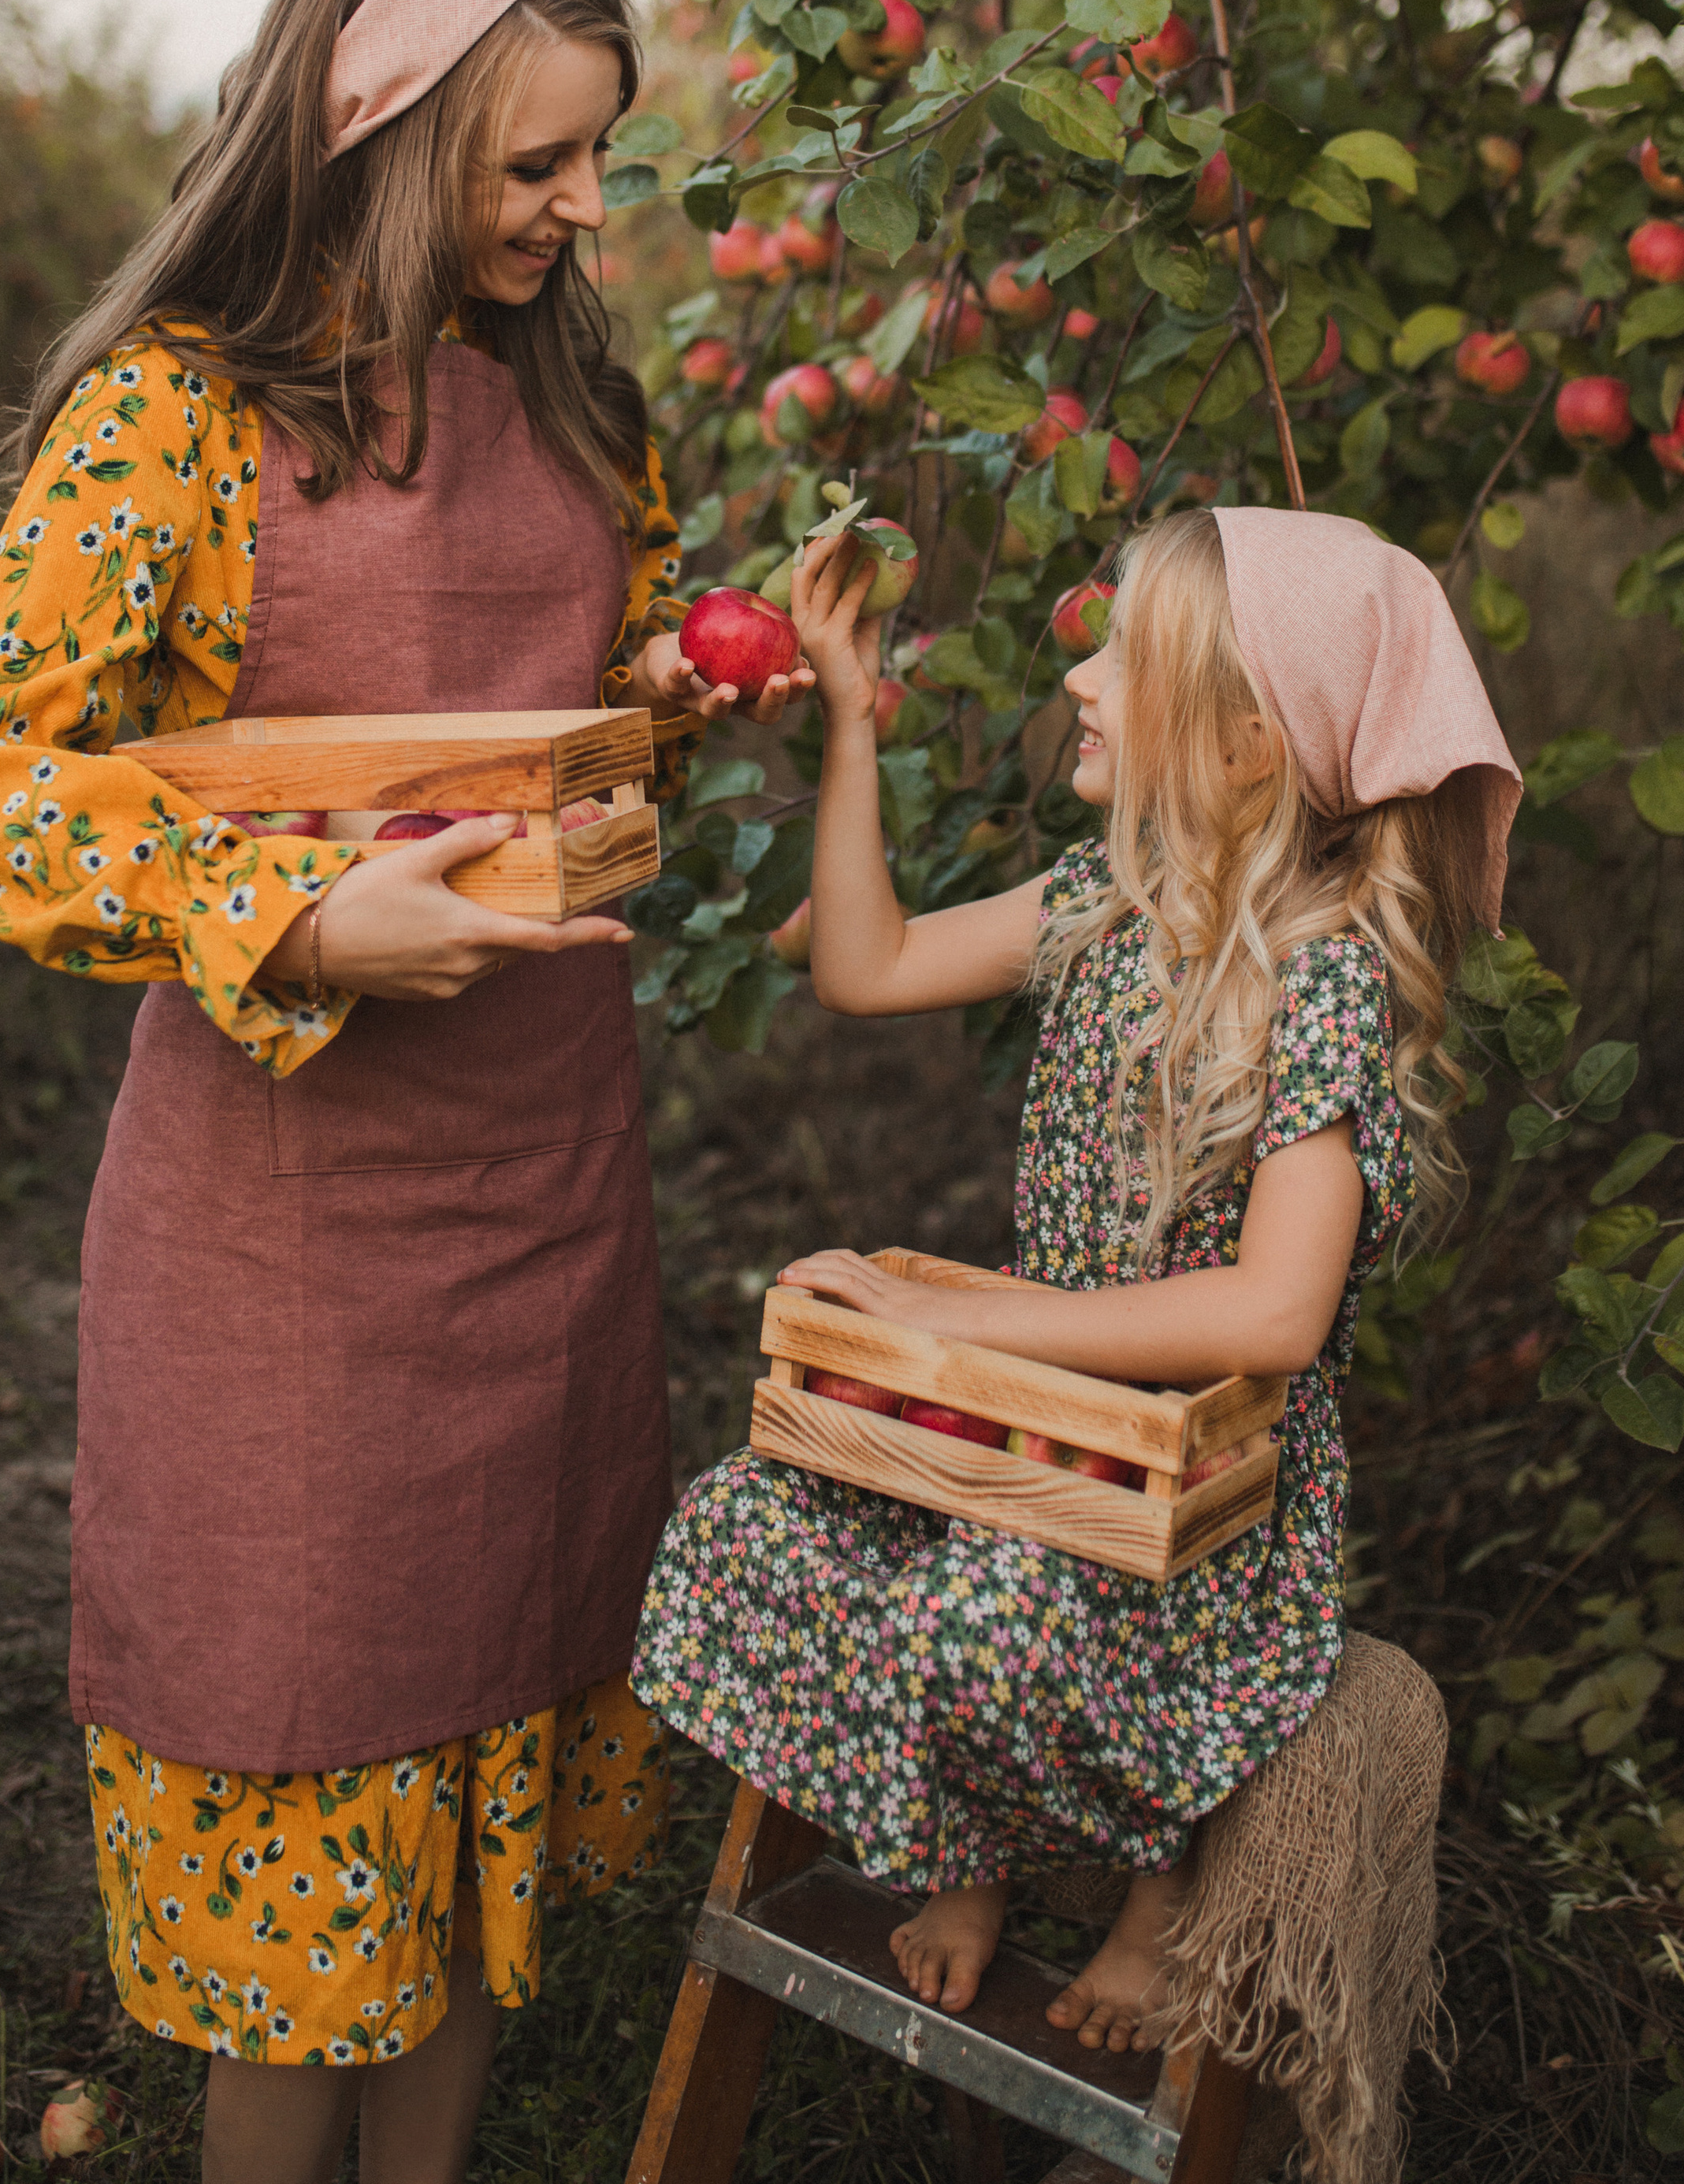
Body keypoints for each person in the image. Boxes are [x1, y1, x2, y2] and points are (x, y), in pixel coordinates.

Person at [0, 0, 810, 2184]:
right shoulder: (176, 430)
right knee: (311, 1790)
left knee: (484, 1794)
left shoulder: (583, 412)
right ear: (390, 129)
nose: (587, 207)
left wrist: (711, 687)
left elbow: (587, 771)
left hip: (544, 1200)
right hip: (287, 1253)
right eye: (540, 166)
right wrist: (297, 920)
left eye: (599, 157)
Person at [633, 503, 1519, 2052]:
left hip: (1197, 1486)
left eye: (1125, 657)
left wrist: (961, 1310)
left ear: (1247, 746)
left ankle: (1152, 1888)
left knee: (979, 1617)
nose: (1084, 682)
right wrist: (847, 710)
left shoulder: (1314, 972)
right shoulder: (1097, 906)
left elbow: (1271, 1314)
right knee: (744, 1524)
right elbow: (865, 965)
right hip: (1029, 1431)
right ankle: (962, 1851)